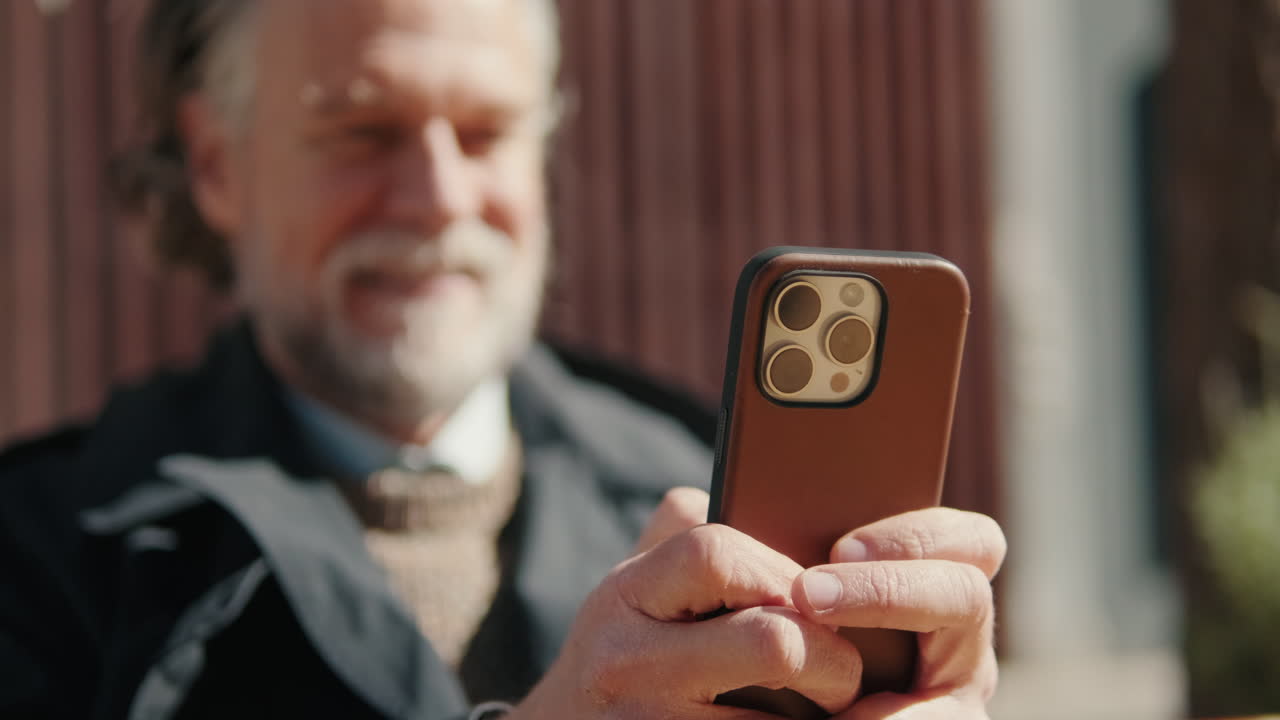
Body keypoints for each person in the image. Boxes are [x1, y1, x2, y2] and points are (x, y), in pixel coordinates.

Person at [0, 0, 1006, 718]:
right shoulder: (39, 558)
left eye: (485, 134)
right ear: (216, 163)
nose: (438, 197)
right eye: (363, 131)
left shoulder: (700, 496)